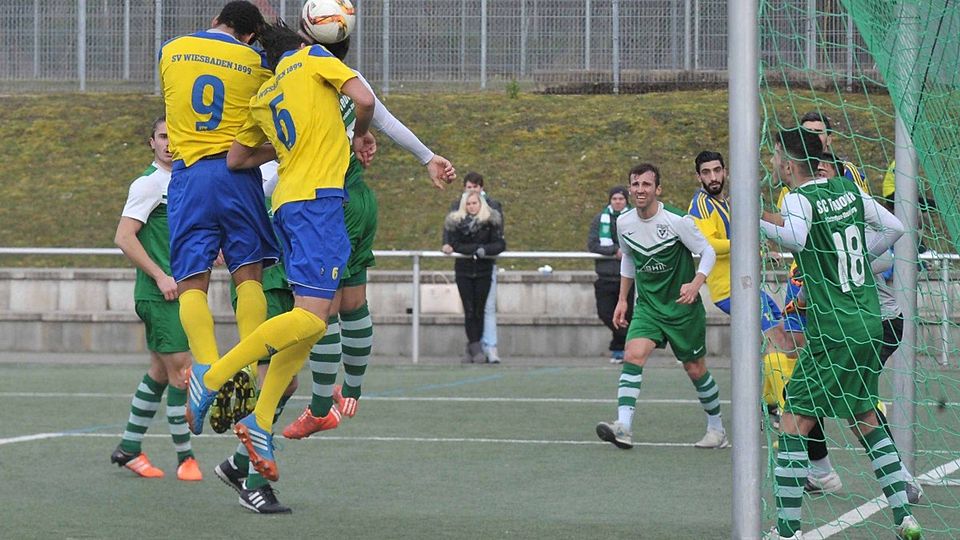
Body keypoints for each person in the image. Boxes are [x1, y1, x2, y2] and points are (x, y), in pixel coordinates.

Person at [184, 21, 377, 487]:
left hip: (288, 204)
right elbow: (365, 99)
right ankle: (213, 377)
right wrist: (357, 134)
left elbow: (238, 158)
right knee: (312, 320)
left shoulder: (265, 93)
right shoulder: (315, 59)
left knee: (310, 326)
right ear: (304, 43)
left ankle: (260, 421)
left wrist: (293, 144)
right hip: (319, 205)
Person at [281, 35, 456, 439]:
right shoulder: (350, 79)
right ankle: (352, 391)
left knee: (318, 308)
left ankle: (321, 407)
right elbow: (384, 118)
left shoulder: (302, 86)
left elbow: (285, 161)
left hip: (329, 203)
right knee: (353, 301)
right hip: (358, 199)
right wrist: (428, 157)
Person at [759, 128, 920, 540]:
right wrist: (859, 254)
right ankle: (905, 517)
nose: (773, 162)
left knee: (793, 418)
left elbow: (794, 237)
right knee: (864, 413)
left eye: (777, 156)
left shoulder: (798, 197)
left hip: (833, 329)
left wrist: (756, 218)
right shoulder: (846, 190)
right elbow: (896, 227)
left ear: (790, 163)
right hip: (868, 320)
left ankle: (788, 530)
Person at [158, 1, 279, 415]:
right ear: (249, 35)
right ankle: (243, 370)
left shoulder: (171, 50)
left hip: (189, 177)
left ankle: (207, 367)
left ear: (215, 21)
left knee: (193, 281)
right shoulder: (256, 60)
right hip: (236, 173)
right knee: (249, 275)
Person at [595, 163, 729, 450]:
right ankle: (624, 427)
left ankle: (717, 428)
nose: (640, 190)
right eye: (635, 184)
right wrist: (622, 299)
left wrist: (696, 284)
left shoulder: (678, 221)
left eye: (646, 184)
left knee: (695, 370)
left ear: (658, 189)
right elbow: (629, 258)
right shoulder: (624, 223)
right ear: (629, 189)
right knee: (633, 354)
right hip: (649, 308)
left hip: (682, 308)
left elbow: (706, 252)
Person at [109, 116, 202, 482]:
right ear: (152, 142)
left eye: (174, 136)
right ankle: (187, 459)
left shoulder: (179, 181)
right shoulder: (148, 184)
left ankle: (129, 448)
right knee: (182, 373)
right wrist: (160, 275)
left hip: (174, 291)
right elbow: (124, 237)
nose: (168, 143)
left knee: (162, 373)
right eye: (162, 136)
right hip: (159, 293)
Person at [687, 150, 796, 427]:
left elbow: (735, 235)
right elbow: (708, 245)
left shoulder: (722, 202)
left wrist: (760, 249)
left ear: (725, 171)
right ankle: (785, 408)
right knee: (775, 337)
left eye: (717, 170)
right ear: (699, 176)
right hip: (728, 291)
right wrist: (747, 245)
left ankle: (767, 404)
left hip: (745, 286)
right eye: (706, 172)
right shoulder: (700, 205)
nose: (713, 177)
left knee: (777, 334)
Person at [215, 161, 299, 514]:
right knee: (268, 384)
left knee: (287, 383)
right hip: (263, 281)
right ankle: (254, 483)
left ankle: (237, 463)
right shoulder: (256, 161)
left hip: (282, 279)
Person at [443, 172, 503, 363]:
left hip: (484, 269)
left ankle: (480, 347)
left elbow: (499, 243)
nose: (471, 205)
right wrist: (474, 249)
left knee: (482, 308)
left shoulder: (491, 218)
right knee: (469, 309)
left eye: (474, 202)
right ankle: (475, 346)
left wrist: (483, 250)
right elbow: (454, 243)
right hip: (464, 270)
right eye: (468, 203)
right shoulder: (457, 219)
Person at [586, 185, 634, 364]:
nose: (618, 202)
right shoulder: (600, 219)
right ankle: (628, 340)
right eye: (614, 199)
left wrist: (625, 251)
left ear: (626, 201)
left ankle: (618, 348)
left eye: (621, 199)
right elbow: (593, 244)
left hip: (627, 276)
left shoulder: (634, 218)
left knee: (626, 315)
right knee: (605, 313)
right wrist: (615, 251)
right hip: (605, 275)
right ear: (610, 200)